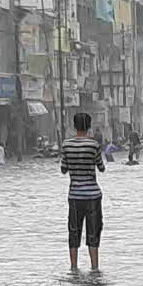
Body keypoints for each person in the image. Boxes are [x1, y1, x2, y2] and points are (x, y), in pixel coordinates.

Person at [61, 112, 106, 271]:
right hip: (93, 195)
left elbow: (63, 169)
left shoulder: (66, 145)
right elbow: (101, 168)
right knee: (93, 232)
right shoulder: (94, 145)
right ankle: (94, 268)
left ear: (74, 126)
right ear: (89, 126)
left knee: (74, 230)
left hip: (74, 196)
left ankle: (73, 268)